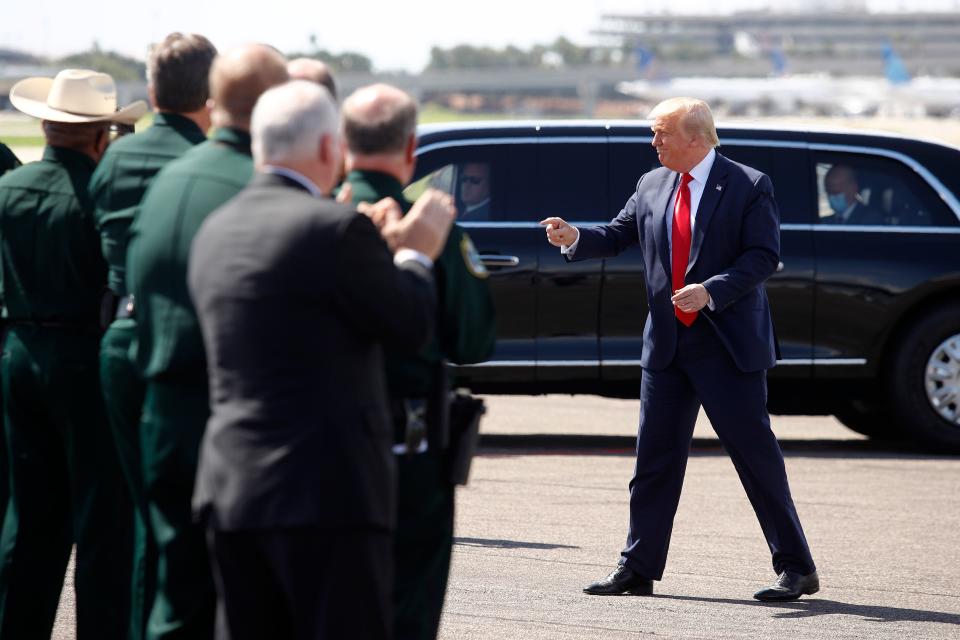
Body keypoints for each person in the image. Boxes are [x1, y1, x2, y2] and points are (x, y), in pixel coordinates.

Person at [189, 79, 453, 640]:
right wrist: (413, 256)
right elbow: (407, 326)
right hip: (326, 497)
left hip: (232, 488)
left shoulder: (218, 228)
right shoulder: (334, 229)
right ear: (330, 148)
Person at [540, 97, 818, 602]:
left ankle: (797, 567)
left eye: (661, 133)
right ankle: (637, 567)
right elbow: (619, 233)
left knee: (754, 458)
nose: (654, 143)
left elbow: (763, 256)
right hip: (667, 344)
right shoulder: (652, 183)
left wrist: (712, 289)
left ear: (696, 137)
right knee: (654, 460)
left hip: (725, 344)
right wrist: (575, 236)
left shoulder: (748, 185)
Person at [125, 44, 288, 640]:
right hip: (232, 425)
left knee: (174, 593)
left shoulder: (167, 179)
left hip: (161, 412)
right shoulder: (262, 191)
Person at [340, 83, 496, 640]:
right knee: (406, 603)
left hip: (311, 444)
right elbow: (474, 343)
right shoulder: (436, 229)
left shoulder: (311, 214)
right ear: (410, 149)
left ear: (343, 142)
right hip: (406, 450)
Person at [0, 68, 146, 638]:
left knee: (28, 518)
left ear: (45, 123)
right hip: (84, 359)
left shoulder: (9, 187)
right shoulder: (98, 195)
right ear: (101, 133)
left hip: (18, 354)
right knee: (101, 520)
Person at [87, 32, 216, 640]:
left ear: (152, 90)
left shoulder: (113, 158)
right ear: (207, 93)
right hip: (183, 345)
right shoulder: (205, 164)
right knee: (178, 522)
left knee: (135, 512)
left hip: (119, 333)